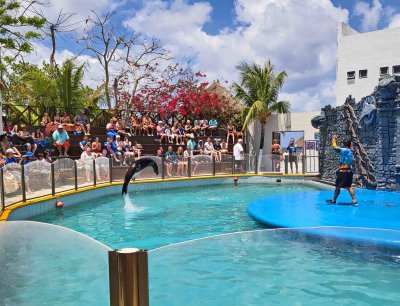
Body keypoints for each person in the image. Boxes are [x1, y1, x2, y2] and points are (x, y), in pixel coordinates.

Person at [326, 135, 358, 206]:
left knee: (338, 186)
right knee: (349, 186)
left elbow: (335, 147)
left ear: (345, 145)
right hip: (349, 171)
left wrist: (334, 139)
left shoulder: (344, 150)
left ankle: (333, 200)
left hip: (343, 171)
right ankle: (354, 200)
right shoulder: (351, 151)